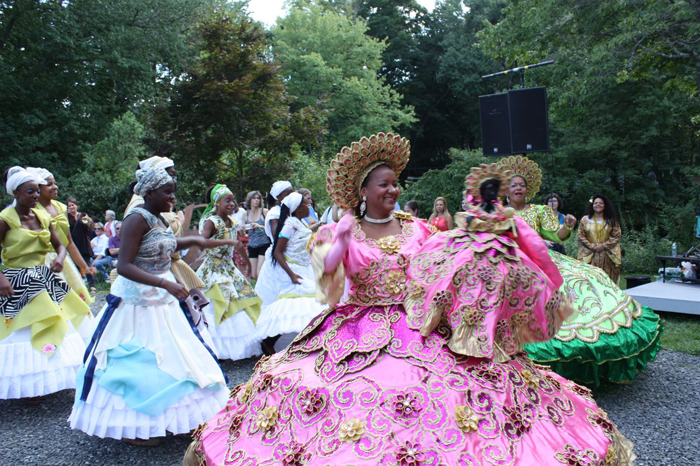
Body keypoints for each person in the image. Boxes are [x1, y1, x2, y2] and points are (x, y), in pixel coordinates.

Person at [184, 134, 634, 465]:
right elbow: (332, 292)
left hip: (420, 323)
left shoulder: (418, 227)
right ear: (362, 191)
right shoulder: (338, 230)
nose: (393, 190)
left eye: (395, 183)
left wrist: (501, 248)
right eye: (383, 184)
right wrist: (336, 247)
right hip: (355, 328)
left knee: (462, 394)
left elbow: (450, 264)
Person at [69, 166, 229, 446]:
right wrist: (164, 283)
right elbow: (125, 265)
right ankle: (137, 425)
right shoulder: (135, 219)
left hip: (162, 298)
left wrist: (190, 239)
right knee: (143, 356)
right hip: (137, 301)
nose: (172, 198)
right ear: (150, 192)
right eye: (167, 192)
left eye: (173, 192)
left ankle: (176, 417)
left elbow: (162, 245)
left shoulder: (159, 218)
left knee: (177, 350)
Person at [498, 155, 662, 386]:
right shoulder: (498, 212)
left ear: (528, 190)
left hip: (542, 258)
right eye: (513, 184)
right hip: (510, 259)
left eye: (522, 185)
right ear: (506, 189)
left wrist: (567, 226)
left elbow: (556, 236)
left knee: (588, 276)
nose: (518, 188)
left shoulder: (539, 211)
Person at [0, 167, 87, 400]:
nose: (35, 196)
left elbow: (60, 244)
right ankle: (25, 386)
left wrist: (59, 259)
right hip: (16, 279)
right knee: (21, 328)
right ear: (15, 193)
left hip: (43, 276)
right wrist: (1, 279)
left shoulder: (42, 217)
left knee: (58, 320)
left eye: (37, 191)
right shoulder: (5, 219)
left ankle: (48, 379)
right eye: (30, 191)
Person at [252, 192, 325, 355]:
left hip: (302, 267)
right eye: (306, 204)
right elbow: (278, 252)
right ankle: (269, 343)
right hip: (291, 270)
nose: (309, 206)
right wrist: (291, 274)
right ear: (298, 208)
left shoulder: (298, 222)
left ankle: (308, 343)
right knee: (292, 306)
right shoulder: (289, 225)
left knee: (305, 306)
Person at [197, 184, 262, 360]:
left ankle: (242, 347)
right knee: (222, 303)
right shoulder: (211, 221)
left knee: (241, 300)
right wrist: (228, 244)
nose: (232, 203)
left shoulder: (232, 221)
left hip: (229, 268)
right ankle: (217, 348)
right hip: (213, 270)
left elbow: (238, 245)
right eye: (227, 200)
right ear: (217, 202)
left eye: (233, 200)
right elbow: (202, 241)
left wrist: (247, 263)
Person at [29, 167, 96, 308]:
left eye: (54, 183)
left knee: (75, 304)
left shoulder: (60, 207)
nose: (55, 187)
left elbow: (69, 242)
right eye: (49, 184)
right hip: (42, 261)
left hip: (63, 259)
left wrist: (85, 266)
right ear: (37, 188)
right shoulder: (32, 211)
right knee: (53, 304)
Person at [578, 194, 622, 284]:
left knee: (608, 281)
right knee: (590, 281)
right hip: (590, 255)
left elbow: (617, 236)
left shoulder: (611, 220)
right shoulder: (585, 220)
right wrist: (592, 246)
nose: (598, 205)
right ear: (592, 205)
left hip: (608, 255)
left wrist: (604, 245)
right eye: (596, 203)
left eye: (601, 203)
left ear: (605, 205)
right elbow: (580, 235)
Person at [66, 197, 96, 293]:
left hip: (83, 243)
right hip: (72, 244)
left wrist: (89, 222)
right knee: (75, 266)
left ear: (76, 205)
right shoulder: (66, 216)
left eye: (73, 205)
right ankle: (80, 286)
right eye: (69, 205)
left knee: (87, 264)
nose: (71, 207)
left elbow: (90, 226)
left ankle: (92, 285)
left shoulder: (82, 216)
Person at [244, 190, 270, 280]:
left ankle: (263, 293)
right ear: (249, 200)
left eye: (258, 198)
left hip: (264, 243)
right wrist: (242, 229)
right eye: (254, 198)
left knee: (260, 272)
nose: (256, 200)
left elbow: (272, 228)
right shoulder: (246, 214)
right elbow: (243, 233)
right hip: (252, 245)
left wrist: (260, 226)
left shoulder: (264, 212)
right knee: (254, 275)